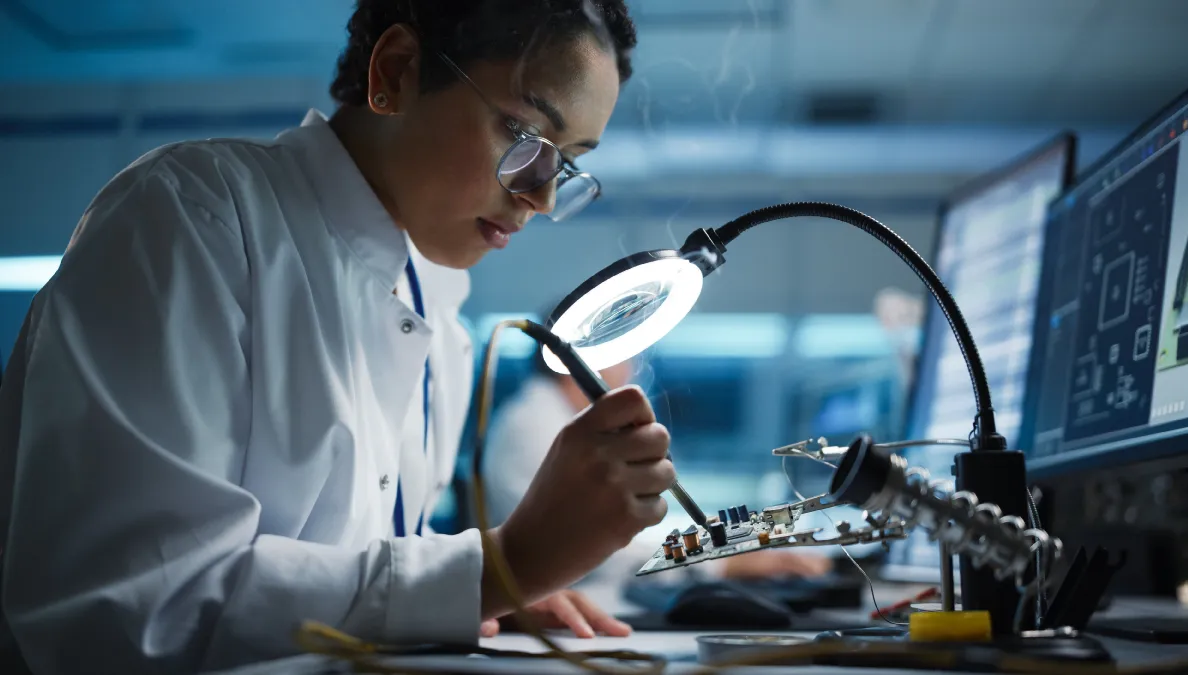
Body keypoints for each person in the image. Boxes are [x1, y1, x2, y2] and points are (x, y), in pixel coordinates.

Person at [0, 2, 672, 672]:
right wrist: (493, 570)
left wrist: (458, 598)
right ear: (398, 70)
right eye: (525, 134)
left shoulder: (439, 303)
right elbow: (125, 617)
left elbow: (355, 555)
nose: (543, 196)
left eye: (570, 163)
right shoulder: (191, 217)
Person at [483, 347, 832, 584]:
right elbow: (589, 547)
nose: (632, 370)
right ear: (587, 360)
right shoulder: (535, 425)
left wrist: (731, 544)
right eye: (625, 357)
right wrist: (722, 562)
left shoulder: (551, 417)